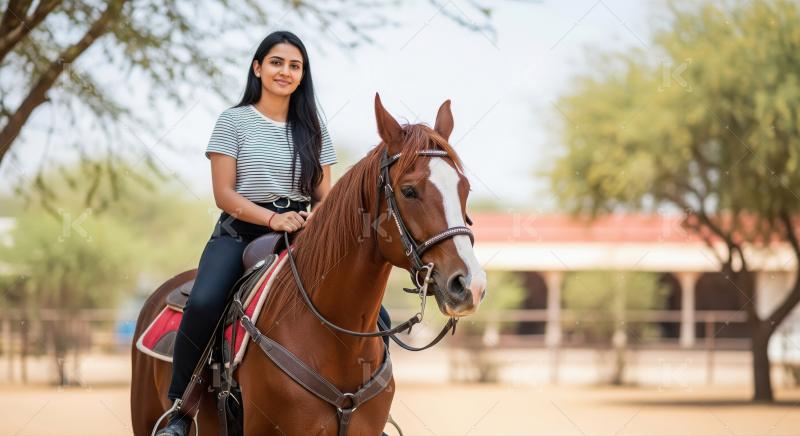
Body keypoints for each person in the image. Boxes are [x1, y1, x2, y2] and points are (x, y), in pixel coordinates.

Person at [157, 30, 391, 436]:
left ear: (302, 76)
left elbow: (326, 199)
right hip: (240, 232)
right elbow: (223, 194)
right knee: (206, 301)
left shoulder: (314, 129)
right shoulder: (233, 121)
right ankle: (181, 408)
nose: (285, 71)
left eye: (295, 66)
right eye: (277, 62)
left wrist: (313, 222)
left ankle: (369, 407)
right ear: (258, 68)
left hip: (304, 235)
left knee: (376, 314)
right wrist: (271, 219)